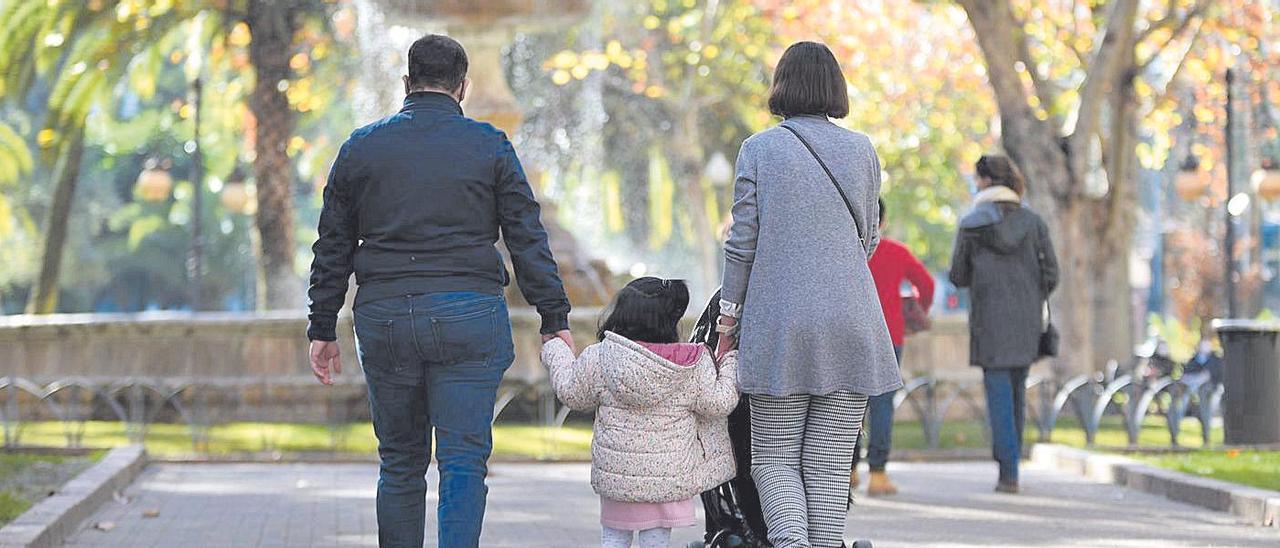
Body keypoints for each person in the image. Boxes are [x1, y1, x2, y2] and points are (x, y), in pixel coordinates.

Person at [305, 35, 573, 548]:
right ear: (463, 87)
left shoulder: (361, 147)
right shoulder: (490, 145)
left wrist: (322, 327)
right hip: (468, 314)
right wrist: (554, 319)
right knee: (463, 463)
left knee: (400, 461)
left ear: (406, 84)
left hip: (384, 316)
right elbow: (525, 237)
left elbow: (332, 246)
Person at [716, 41, 901, 548]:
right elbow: (868, 238)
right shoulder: (863, 149)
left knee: (773, 457)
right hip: (852, 322)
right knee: (829, 463)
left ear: (782, 85)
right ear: (835, 88)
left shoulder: (758, 149)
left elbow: (742, 245)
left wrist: (727, 322)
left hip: (780, 324)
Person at [542, 277, 738, 548]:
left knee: (613, 539)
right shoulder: (692, 364)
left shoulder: (600, 357)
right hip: (669, 477)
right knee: (656, 542)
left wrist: (555, 349)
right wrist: (729, 359)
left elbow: (571, 393)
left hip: (618, 477)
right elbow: (720, 403)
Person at [948, 155, 1058, 495]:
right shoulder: (1034, 222)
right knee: (1016, 394)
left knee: (998, 396)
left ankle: (1007, 471)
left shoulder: (972, 224)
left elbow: (958, 275)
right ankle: (1012, 467)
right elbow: (1052, 273)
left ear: (983, 181)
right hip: (1026, 323)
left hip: (989, 322)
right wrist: (1030, 294)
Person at [851, 199, 935, 497]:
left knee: (849, 405)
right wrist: (916, 311)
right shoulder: (897, 252)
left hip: (852, 336)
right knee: (882, 405)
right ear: (882, 222)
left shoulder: (849, 252)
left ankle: (848, 471)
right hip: (890, 336)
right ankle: (878, 474)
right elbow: (926, 284)